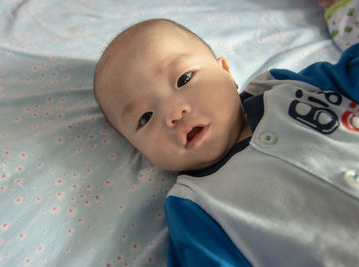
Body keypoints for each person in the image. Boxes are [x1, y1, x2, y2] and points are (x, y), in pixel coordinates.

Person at [94, 18, 359, 266]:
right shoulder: (195, 207)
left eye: (183, 79)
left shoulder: (286, 86)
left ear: (226, 72)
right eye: (145, 117)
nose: (174, 113)